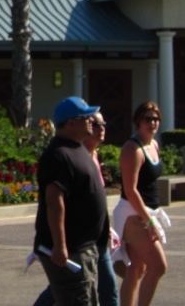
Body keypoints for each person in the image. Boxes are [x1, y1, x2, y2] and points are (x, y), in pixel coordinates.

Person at [32, 110, 119, 306]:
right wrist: (60, 245)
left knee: (91, 297)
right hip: (72, 249)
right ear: (71, 123)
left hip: (89, 246)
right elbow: (54, 202)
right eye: (87, 118)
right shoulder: (58, 155)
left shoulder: (78, 150)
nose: (91, 121)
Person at [113, 101, 169, 306]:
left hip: (146, 212)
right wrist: (150, 221)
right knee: (158, 266)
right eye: (147, 119)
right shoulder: (132, 149)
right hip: (133, 214)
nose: (152, 123)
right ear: (138, 121)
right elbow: (130, 190)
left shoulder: (154, 145)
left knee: (136, 269)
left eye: (155, 119)